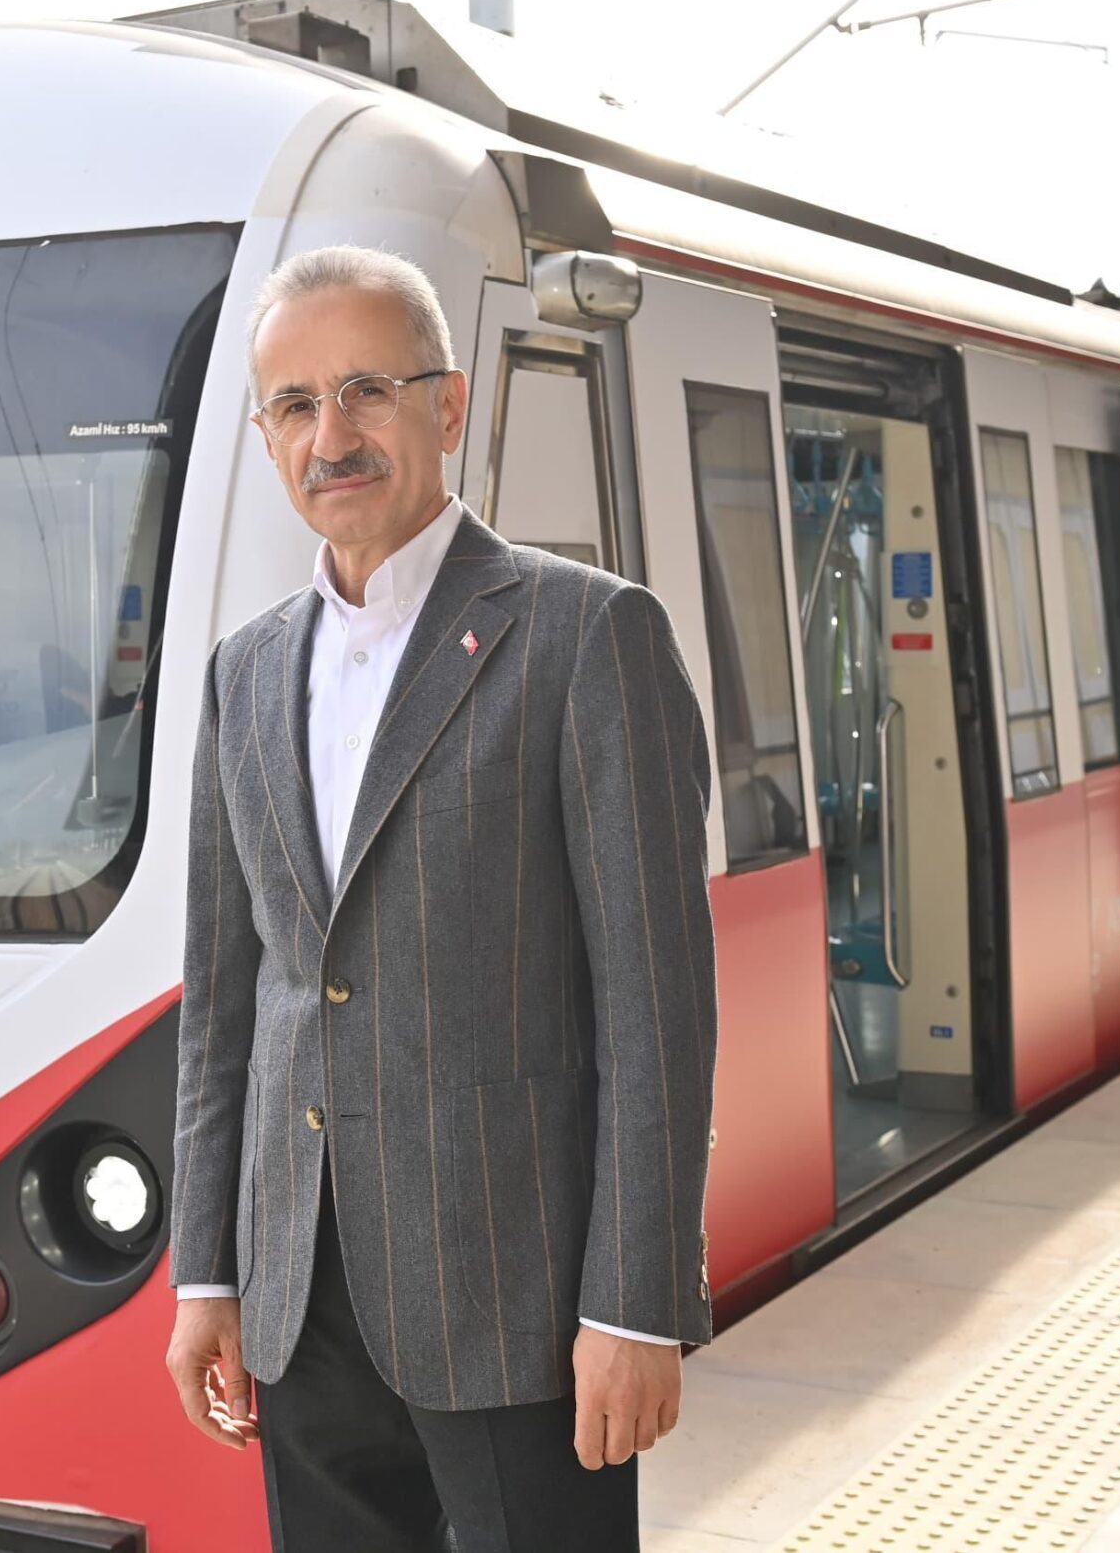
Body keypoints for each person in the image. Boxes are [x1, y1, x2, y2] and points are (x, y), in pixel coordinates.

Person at [164, 246, 719, 1551]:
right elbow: (225, 1007)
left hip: (516, 1298)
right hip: (303, 1302)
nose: (332, 435)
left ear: (449, 407)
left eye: (367, 389)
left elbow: (654, 1008)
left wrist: (633, 1303)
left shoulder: (588, 636)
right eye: (295, 404)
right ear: (265, 437)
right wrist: (207, 1272)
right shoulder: (242, 675)